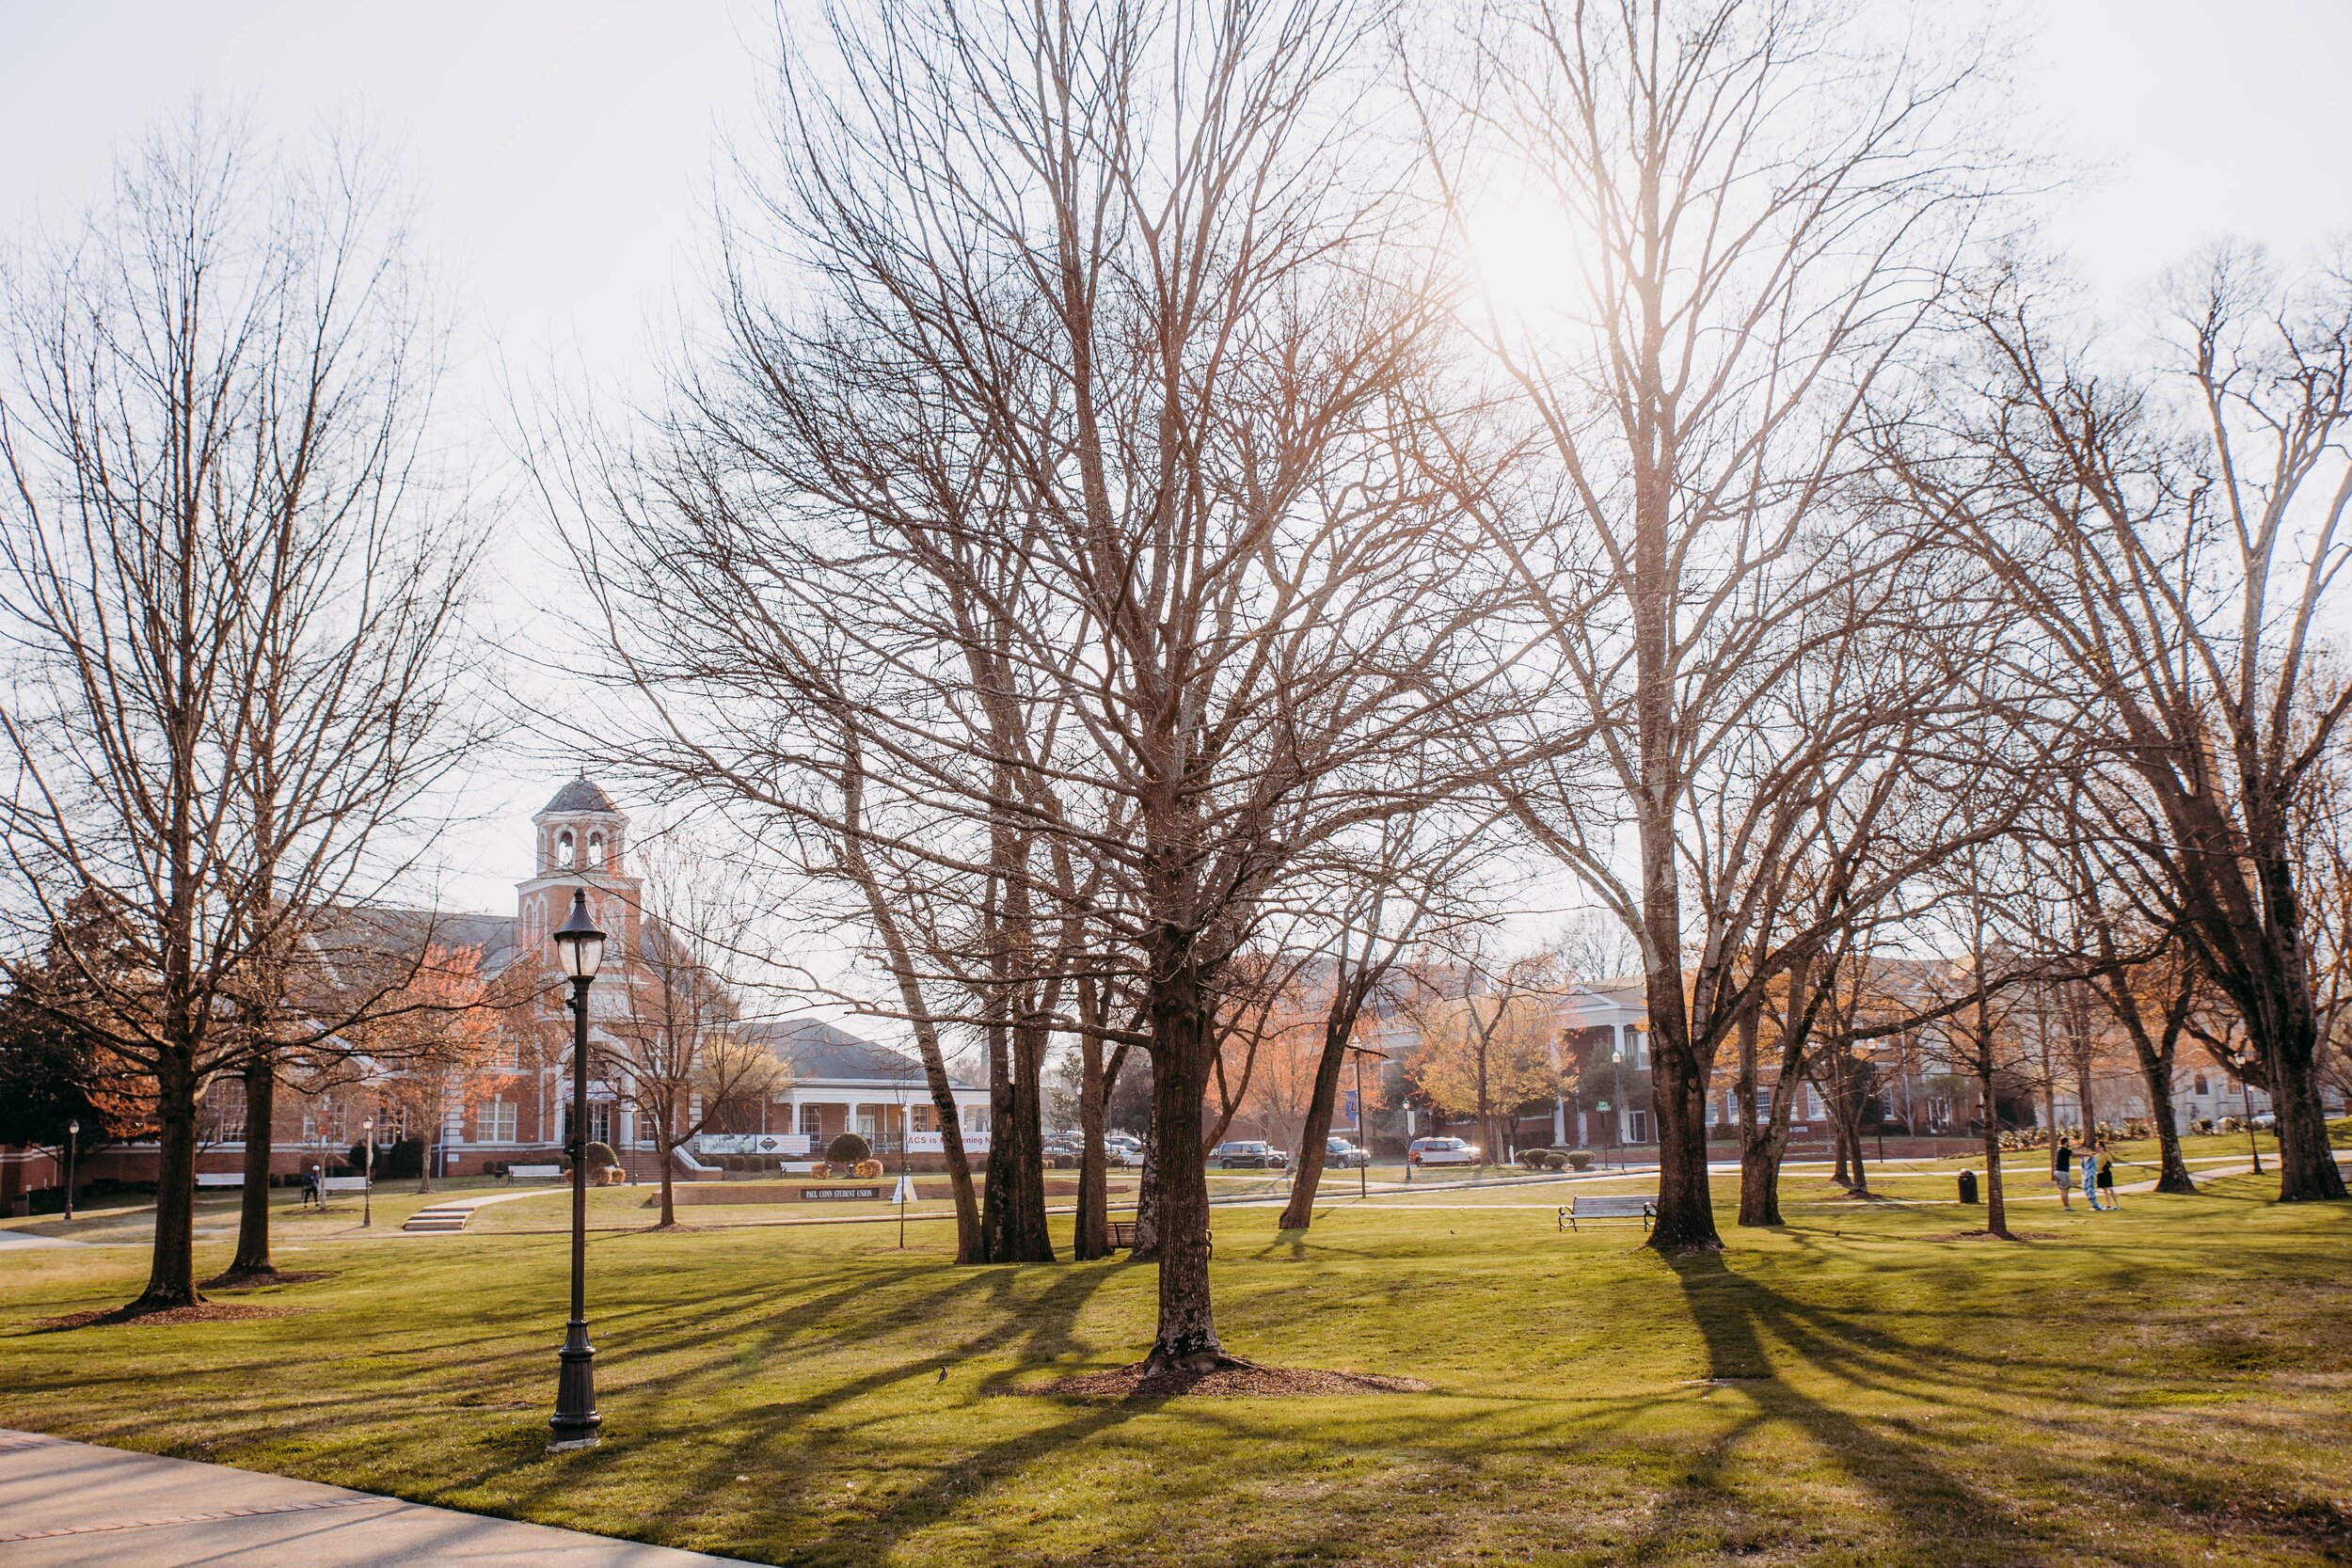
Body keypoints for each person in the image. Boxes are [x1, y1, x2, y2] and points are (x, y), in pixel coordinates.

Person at [2097, 1141, 2122, 1209]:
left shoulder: (2106, 1155)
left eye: (2099, 1147)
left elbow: (2110, 1164)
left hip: (2106, 1173)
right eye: (2097, 1147)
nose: (2098, 1149)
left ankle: (2116, 1204)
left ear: (2103, 1147)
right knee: (2105, 1190)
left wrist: (2106, 1166)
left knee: (2110, 1189)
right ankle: (2108, 1205)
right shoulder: (2096, 1156)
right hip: (2100, 1174)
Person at [2082, 1140, 2105, 1211]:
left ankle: (2095, 1204)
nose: (2097, 1148)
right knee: (2089, 1189)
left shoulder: (2093, 1157)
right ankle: (2094, 1204)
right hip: (2087, 1176)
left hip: (2090, 1175)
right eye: (2096, 1147)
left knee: (2090, 1189)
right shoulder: (2090, 1157)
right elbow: (2085, 1163)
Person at [2053, 1136, 2074, 1210]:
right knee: (2064, 1189)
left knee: (2064, 1189)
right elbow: (2075, 1154)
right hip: (2063, 1172)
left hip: (2056, 1171)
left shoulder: (2058, 1150)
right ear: (2066, 1142)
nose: (2069, 1143)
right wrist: (2088, 1154)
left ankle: (2066, 1206)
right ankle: (2067, 1207)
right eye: (2068, 1142)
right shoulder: (2065, 1150)